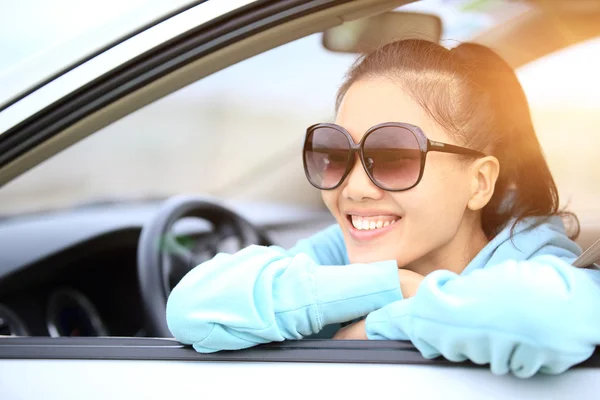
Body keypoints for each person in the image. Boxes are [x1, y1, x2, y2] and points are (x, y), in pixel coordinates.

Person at [165, 39, 600, 378]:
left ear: (479, 182)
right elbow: (195, 310)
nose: (353, 187)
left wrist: (384, 324)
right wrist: (392, 285)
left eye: (393, 156)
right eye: (334, 152)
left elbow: (544, 321)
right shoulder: (345, 251)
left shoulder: (543, 269)